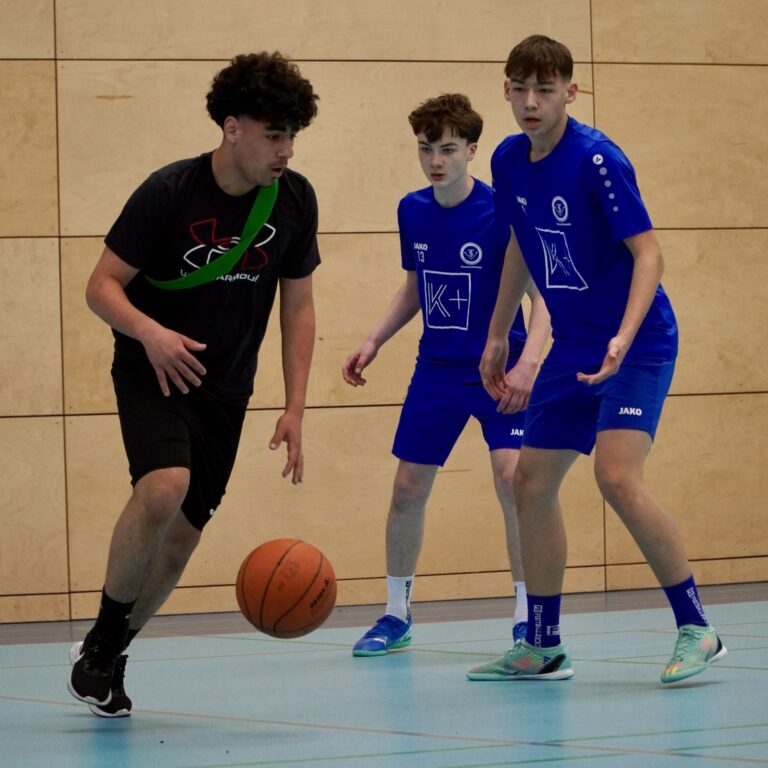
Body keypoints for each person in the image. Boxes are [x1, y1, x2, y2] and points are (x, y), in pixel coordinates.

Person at [466, 35, 726, 683]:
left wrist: (622, 336)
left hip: (637, 342)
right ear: (505, 90)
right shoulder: (506, 159)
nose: (531, 101)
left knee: (616, 476)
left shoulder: (598, 161)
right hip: (574, 343)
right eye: (520, 89)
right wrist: (498, 333)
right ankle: (543, 645)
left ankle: (698, 628)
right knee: (530, 483)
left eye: (545, 89)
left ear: (570, 93)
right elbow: (520, 245)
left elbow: (649, 254)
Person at [68, 52, 321, 716]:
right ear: (232, 128)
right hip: (153, 368)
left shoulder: (295, 199)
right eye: (274, 135)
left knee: (181, 539)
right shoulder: (169, 192)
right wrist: (149, 333)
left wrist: (295, 406)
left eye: (293, 135)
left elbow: (298, 306)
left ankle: (107, 654)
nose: (287, 150)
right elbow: (100, 287)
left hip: (226, 390)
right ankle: (100, 646)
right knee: (163, 487)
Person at [342, 94, 550, 657]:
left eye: (449, 149)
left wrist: (529, 363)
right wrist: (373, 340)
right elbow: (416, 286)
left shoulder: (502, 211)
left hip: (499, 371)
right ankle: (396, 613)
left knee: (512, 479)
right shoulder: (411, 210)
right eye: (426, 148)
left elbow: (542, 299)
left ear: (472, 151)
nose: (435, 160)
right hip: (435, 371)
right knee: (407, 488)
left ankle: (527, 614)